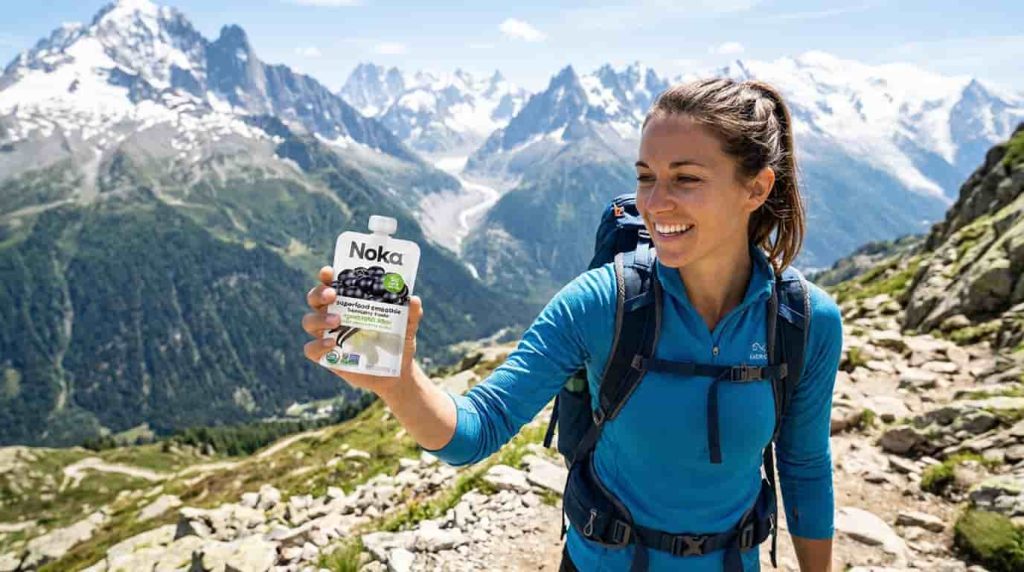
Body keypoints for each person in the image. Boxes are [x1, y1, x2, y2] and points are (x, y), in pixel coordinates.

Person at [302, 77, 843, 571]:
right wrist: (397, 381)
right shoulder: (601, 301)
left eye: (686, 178)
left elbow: (805, 466)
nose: (654, 203)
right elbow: (478, 430)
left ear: (756, 188)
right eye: (645, 177)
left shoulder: (804, 322)